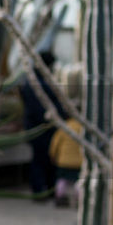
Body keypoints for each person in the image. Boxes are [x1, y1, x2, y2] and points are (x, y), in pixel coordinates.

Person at [19, 50, 64, 199]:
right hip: (42, 126)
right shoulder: (40, 82)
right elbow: (42, 105)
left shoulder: (30, 80)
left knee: (43, 159)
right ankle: (43, 191)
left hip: (36, 126)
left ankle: (44, 190)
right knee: (44, 159)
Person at [49, 118, 83, 208]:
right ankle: (79, 199)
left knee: (62, 180)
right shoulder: (83, 128)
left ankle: (60, 197)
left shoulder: (64, 127)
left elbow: (55, 143)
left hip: (64, 161)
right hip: (79, 161)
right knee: (79, 181)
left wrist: (53, 155)